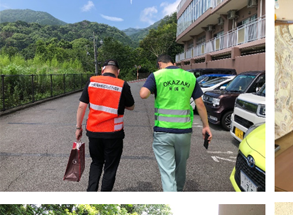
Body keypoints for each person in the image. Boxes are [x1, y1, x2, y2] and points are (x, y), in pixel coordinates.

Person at [139, 55, 212, 192]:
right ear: (174, 62)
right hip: (184, 132)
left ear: (160, 63)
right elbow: (200, 104)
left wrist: (154, 87)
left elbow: (143, 94)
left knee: (168, 173)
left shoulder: (157, 75)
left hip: (163, 131)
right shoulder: (189, 77)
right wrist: (206, 126)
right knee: (180, 168)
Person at [76, 59, 135, 191]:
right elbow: (131, 106)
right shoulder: (122, 85)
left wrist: (78, 127)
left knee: (96, 162)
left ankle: (91, 192)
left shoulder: (92, 81)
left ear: (103, 70)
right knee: (110, 167)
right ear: (118, 72)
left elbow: (81, 106)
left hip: (94, 132)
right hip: (114, 134)